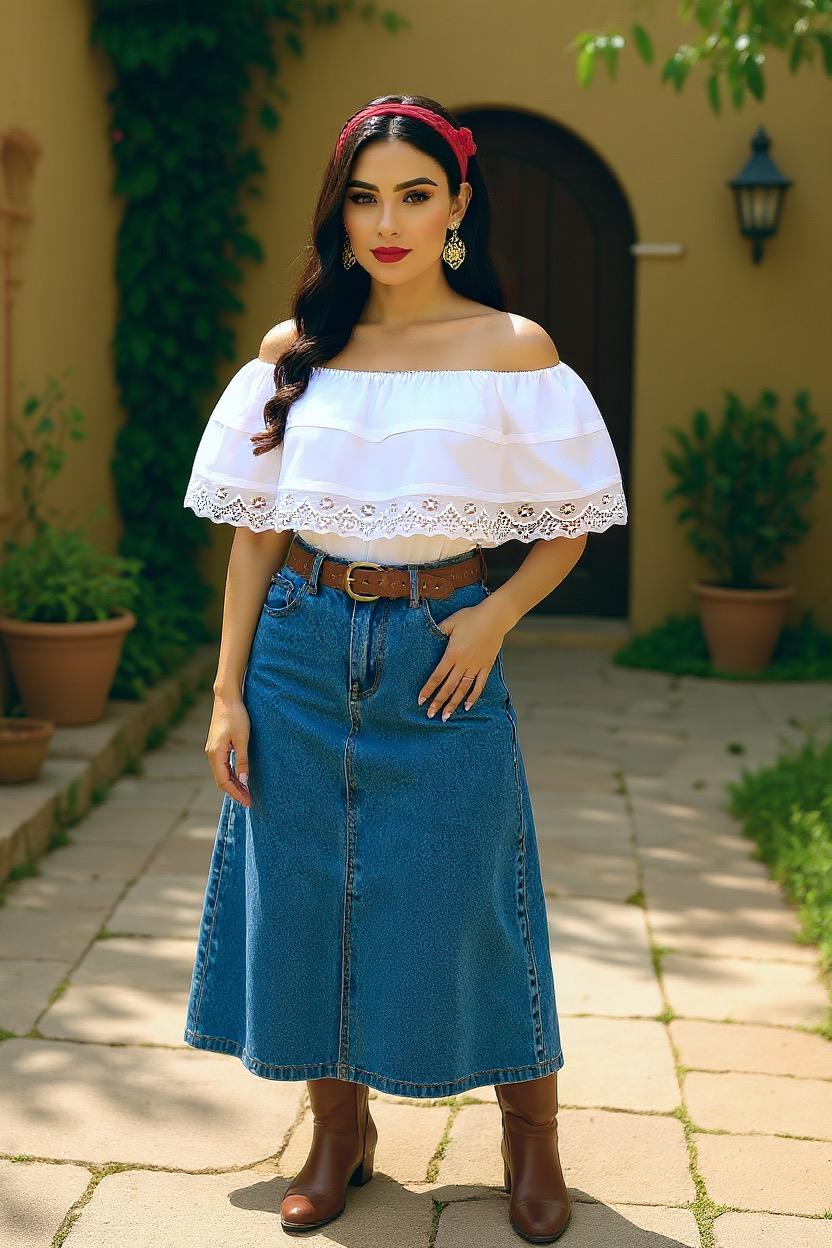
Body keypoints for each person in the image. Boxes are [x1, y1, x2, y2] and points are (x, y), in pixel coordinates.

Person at [182, 93, 627, 1244]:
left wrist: (493, 619)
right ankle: (341, 1133)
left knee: (472, 897)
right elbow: (255, 535)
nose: (388, 222)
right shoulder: (301, 352)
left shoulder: (510, 348)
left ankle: (532, 1140)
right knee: (307, 898)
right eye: (366, 198)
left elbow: (571, 521)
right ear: (340, 213)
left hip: (444, 652)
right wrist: (227, 692)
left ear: (456, 208)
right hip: (296, 650)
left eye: (415, 196)